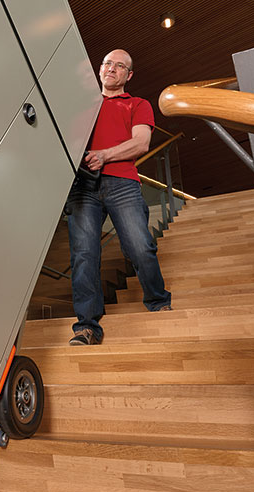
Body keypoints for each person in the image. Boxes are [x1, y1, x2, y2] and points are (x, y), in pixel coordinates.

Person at [66, 49, 171, 346]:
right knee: (84, 255)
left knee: (139, 246)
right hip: (82, 187)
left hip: (122, 182)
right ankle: (86, 326)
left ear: (128, 75)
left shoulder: (137, 104)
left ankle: (158, 302)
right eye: (107, 63)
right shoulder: (80, 107)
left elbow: (141, 142)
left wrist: (104, 155)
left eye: (119, 66)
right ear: (100, 70)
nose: (112, 68)